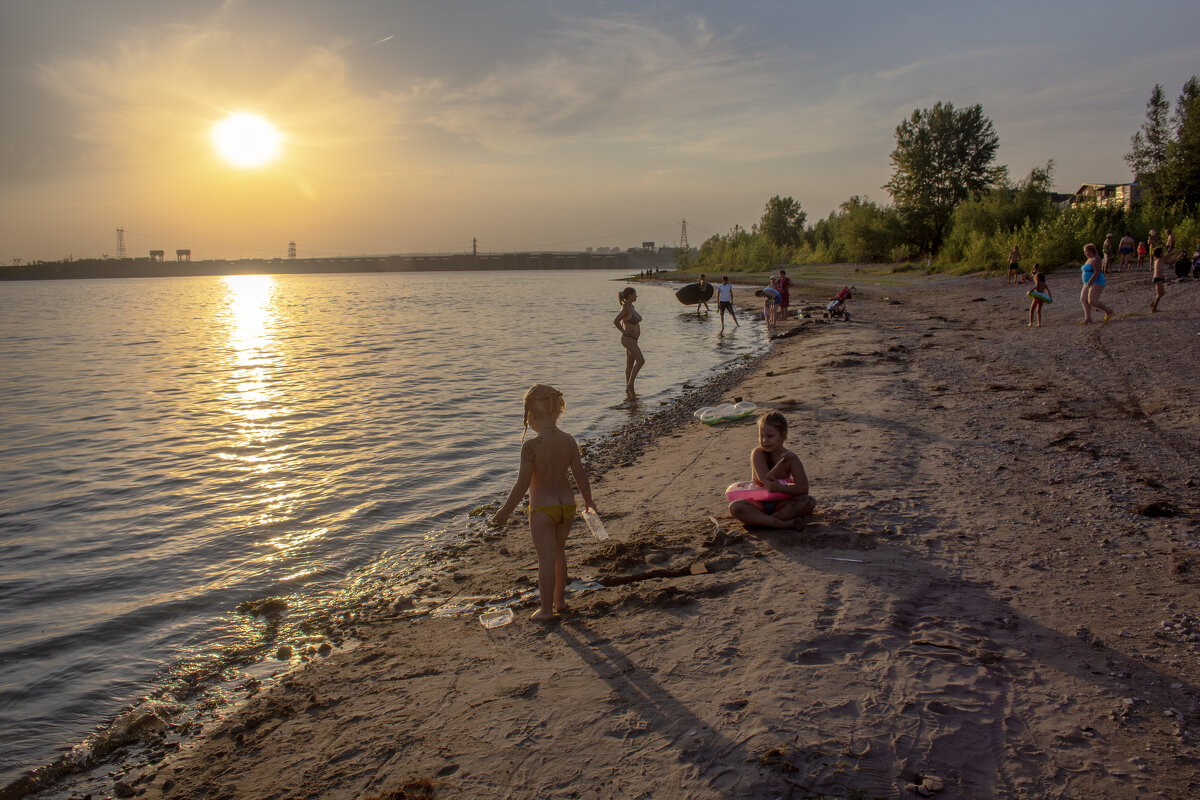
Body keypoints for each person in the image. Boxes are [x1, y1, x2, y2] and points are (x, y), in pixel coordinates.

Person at [491, 384, 596, 621]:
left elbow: (522, 484)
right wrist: (589, 502)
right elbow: (580, 474)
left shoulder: (531, 447)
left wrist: (504, 512)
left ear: (531, 416)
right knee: (560, 554)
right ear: (557, 411)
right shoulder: (569, 440)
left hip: (542, 509)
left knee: (546, 560)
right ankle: (560, 601)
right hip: (567, 507)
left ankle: (546, 609)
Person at [728, 411, 815, 531]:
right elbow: (765, 481)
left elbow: (803, 489)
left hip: (782, 504)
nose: (764, 441)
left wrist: (781, 488)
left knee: (809, 501)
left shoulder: (791, 458)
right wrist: (780, 464)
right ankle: (780, 524)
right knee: (735, 507)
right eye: (761, 436)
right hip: (758, 504)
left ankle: (762, 522)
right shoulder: (758, 453)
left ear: (783, 435)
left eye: (770, 436)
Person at [614, 287, 645, 394]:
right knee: (641, 360)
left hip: (633, 339)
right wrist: (623, 330)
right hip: (628, 339)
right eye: (635, 294)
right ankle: (630, 384)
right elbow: (616, 321)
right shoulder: (625, 308)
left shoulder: (631, 307)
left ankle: (629, 390)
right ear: (630, 295)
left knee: (630, 364)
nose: (636, 296)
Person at [1079, 242, 1113, 324]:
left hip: (1096, 281)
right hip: (1087, 283)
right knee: (1083, 299)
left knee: (1092, 301)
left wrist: (1090, 281)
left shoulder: (1096, 259)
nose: (1085, 253)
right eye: (1084, 251)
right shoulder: (1088, 260)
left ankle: (1109, 311)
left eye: (1086, 251)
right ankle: (1088, 318)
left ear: (1091, 250)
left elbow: (1097, 272)